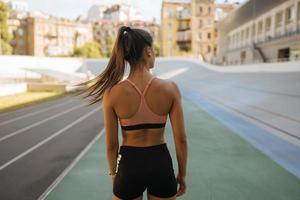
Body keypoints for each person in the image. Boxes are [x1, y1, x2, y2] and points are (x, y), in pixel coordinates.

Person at [75, 26, 188, 200]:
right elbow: (181, 139)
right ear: (148, 51)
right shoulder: (170, 89)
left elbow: (112, 144)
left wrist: (114, 175)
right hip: (160, 162)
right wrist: (182, 174)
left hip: (129, 164)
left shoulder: (112, 93)